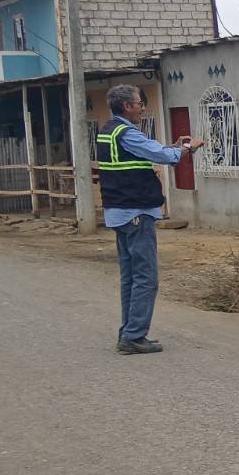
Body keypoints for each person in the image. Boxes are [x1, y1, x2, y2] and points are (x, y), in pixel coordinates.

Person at [97, 84, 204, 355]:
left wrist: (173, 148)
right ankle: (134, 336)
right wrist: (187, 148)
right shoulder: (127, 133)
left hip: (119, 212)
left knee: (130, 277)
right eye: (139, 104)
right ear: (127, 106)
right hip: (136, 212)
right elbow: (162, 156)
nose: (142, 108)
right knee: (146, 278)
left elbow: (149, 151)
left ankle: (128, 332)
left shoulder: (109, 131)